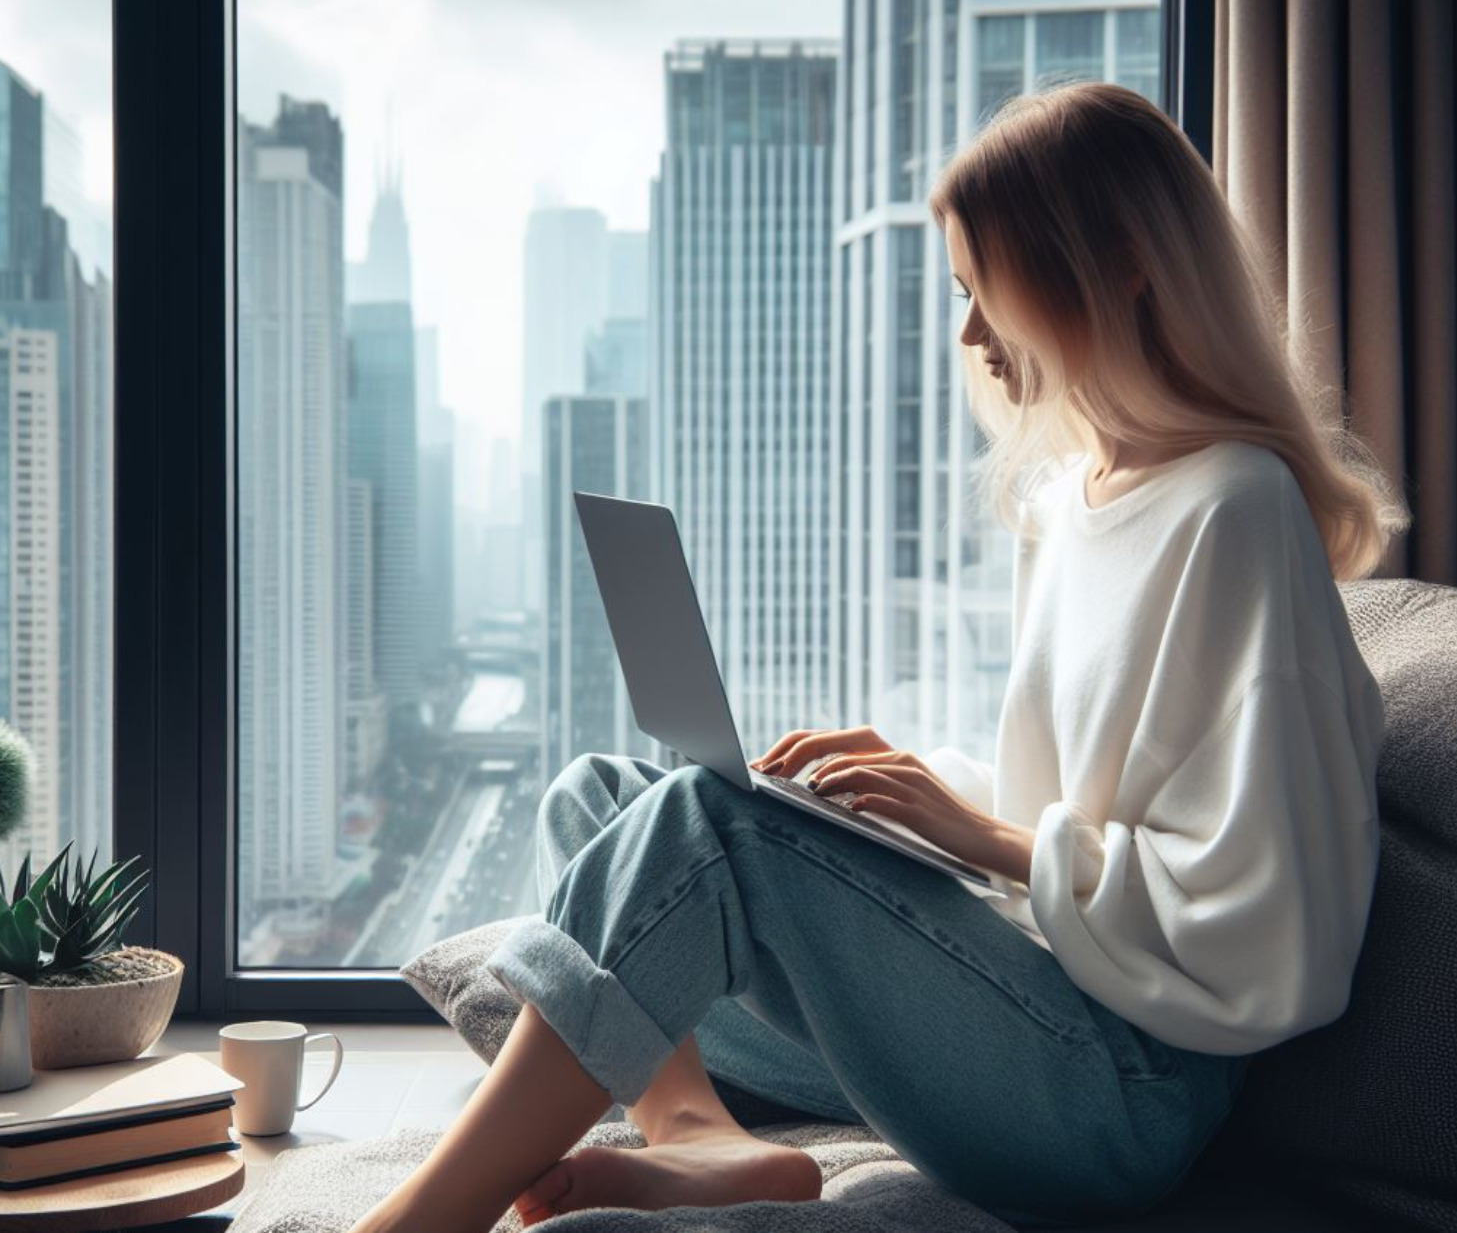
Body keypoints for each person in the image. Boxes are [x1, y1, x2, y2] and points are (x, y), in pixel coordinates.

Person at [345, 81, 1407, 1233]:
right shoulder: (1072, 504)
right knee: (598, 797)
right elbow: (1086, 798)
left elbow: (1277, 932)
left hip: (1115, 1097)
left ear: (1122, 263)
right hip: (1011, 1013)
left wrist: (983, 835)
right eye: (959, 290)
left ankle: (412, 1223)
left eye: (986, 286)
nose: (966, 333)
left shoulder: (1235, 511)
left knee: (709, 833)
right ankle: (698, 1136)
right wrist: (904, 799)